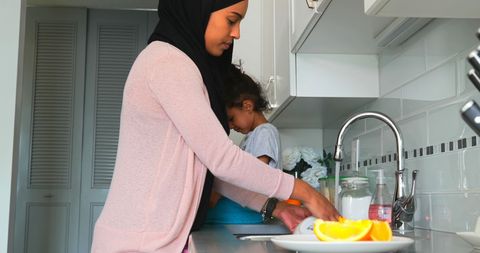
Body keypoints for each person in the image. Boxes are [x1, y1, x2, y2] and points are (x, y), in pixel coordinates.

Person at [90, 0, 339, 252]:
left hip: (148, 239)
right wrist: (305, 191)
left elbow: (210, 170)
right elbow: (221, 159)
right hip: (139, 244)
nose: (237, 33)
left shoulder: (177, 63)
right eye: (232, 20)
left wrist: (275, 206)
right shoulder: (168, 62)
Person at [206, 64, 284, 224]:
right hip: (246, 210)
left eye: (231, 118)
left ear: (247, 106)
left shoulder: (265, 132)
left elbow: (256, 174)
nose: (230, 126)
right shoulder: (252, 136)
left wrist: (218, 193)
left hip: (249, 213)